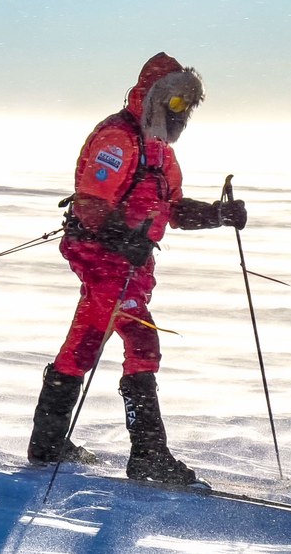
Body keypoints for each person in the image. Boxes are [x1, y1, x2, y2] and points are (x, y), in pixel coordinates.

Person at [27, 52, 247, 485]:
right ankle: (148, 454)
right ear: (156, 97)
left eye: (187, 105)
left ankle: (48, 442)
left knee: (84, 345)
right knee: (141, 340)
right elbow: (91, 204)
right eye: (176, 102)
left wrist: (219, 215)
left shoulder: (160, 151)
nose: (181, 112)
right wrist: (120, 238)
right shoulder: (117, 139)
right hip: (102, 260)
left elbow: (175, 209)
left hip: (131, 264)